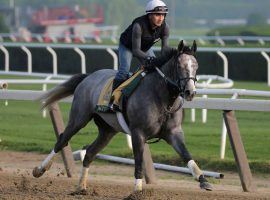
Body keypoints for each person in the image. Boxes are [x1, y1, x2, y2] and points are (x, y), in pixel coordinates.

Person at [110, 0, 170, 110]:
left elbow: (165, 50)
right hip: (128, 47)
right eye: (157, 15)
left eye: (163, 15)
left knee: (155, 70)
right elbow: (136, 51)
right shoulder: (138, 25)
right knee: (124, 70)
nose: (161, 18)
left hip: (145, 48)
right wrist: (150, 58)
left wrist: (172, 55)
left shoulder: (165, 27)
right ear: (149, 15)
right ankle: (113, 99)